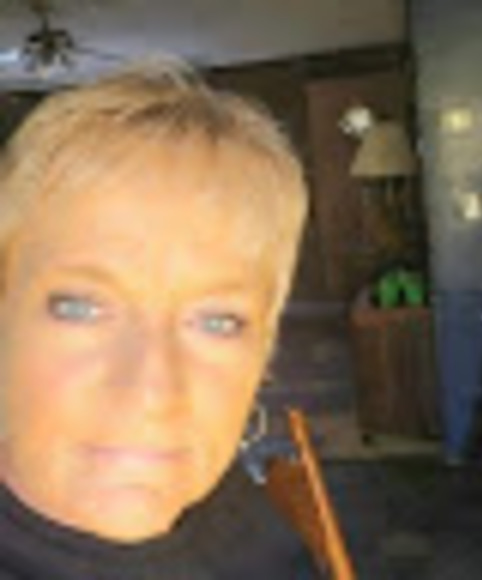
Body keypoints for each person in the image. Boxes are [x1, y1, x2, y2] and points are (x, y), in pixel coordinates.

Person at [0, 60, 313, 578]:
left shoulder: (248, 522)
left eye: (217, 321)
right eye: (81, 307)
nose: (152, 391)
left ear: (264, 350)